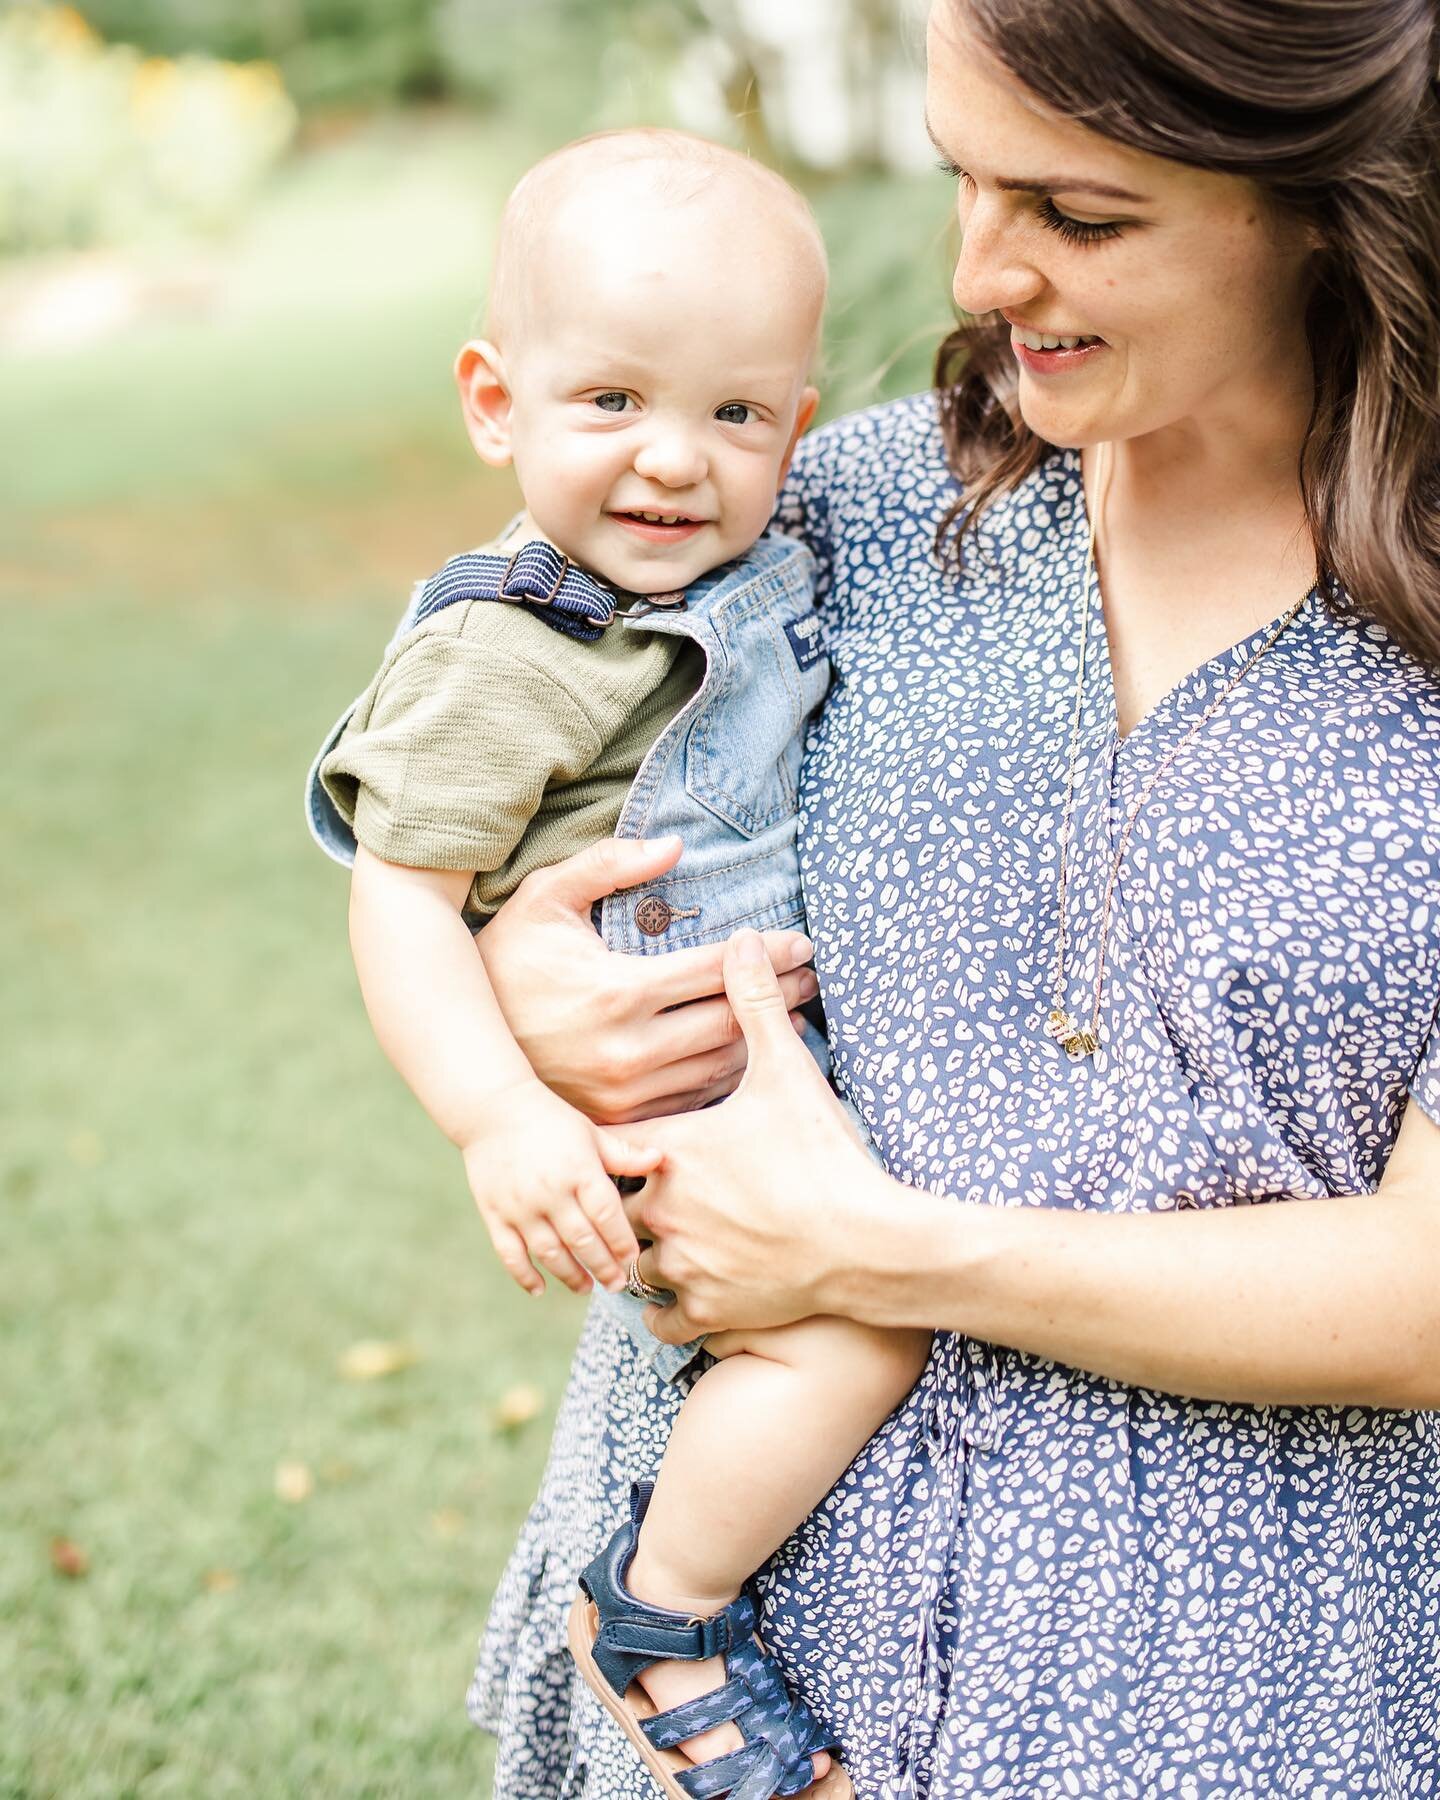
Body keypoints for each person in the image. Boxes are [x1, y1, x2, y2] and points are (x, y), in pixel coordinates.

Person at [462, 2, 1440, 1796]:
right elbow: (494, 800)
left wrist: (881, 1256)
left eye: (1079, 215)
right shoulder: (826, 511)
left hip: (1217, 1706)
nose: (984, 271)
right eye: (964, 180)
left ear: (1315, 196)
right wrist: (531, 983)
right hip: (708, 1657)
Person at [304, 129, 932, 1800]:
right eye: (610, 405)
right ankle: (666, 1610)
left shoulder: (771, 570)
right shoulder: (503, 659)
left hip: (765, 1063)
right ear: (495, 404)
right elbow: (401, 903)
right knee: (850, 1337)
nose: (674, 464)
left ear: (798, 433)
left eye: (735, 415)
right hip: (677, 1107)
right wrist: (503, 1120)